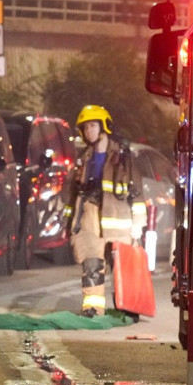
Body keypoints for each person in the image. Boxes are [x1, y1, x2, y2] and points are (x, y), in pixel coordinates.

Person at [64, 105, 146, 317]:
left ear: (104, 127)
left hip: (117, 217)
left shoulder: (123, 155)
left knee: (122, 265)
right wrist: (69, 223)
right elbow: (73, 193)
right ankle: (92, 308)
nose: (89, 131)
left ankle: (128, 307)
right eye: (85, 127)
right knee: (91, 262)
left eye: (93, 125)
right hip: (89, 215)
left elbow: (136, 191)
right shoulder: (84, 157)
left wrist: (138, 223)